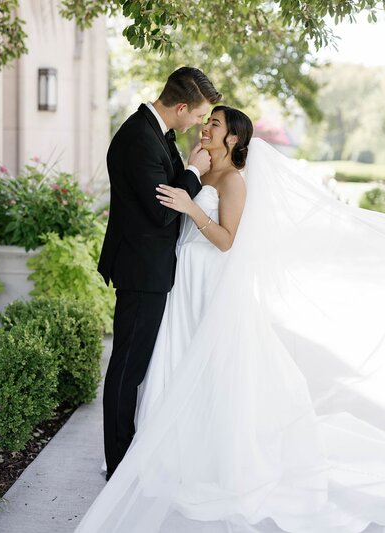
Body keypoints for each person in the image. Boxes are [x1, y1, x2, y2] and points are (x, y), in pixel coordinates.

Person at [77, 106, 385, 532]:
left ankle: (209, 458)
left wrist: (192, 209)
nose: (206, 128)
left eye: (215, 125)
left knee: (207, 368)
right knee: (171, 361)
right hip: (180, 281)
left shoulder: (232, 181)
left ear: (233, 140)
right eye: (206, 122)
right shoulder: (199, 170)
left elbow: (227, 241)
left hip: (208, 282)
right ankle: (161, 451)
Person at [97, 67, 221, 481]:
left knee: (136, 366)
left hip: (151, 269)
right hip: (140, 269)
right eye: (200, 115)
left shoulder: (154, 134)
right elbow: (161, 209)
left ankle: (127, 452)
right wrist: (193, 172)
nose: (200, 124)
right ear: (182, 107)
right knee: (126, 369)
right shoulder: (137, 138)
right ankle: (119, 464)